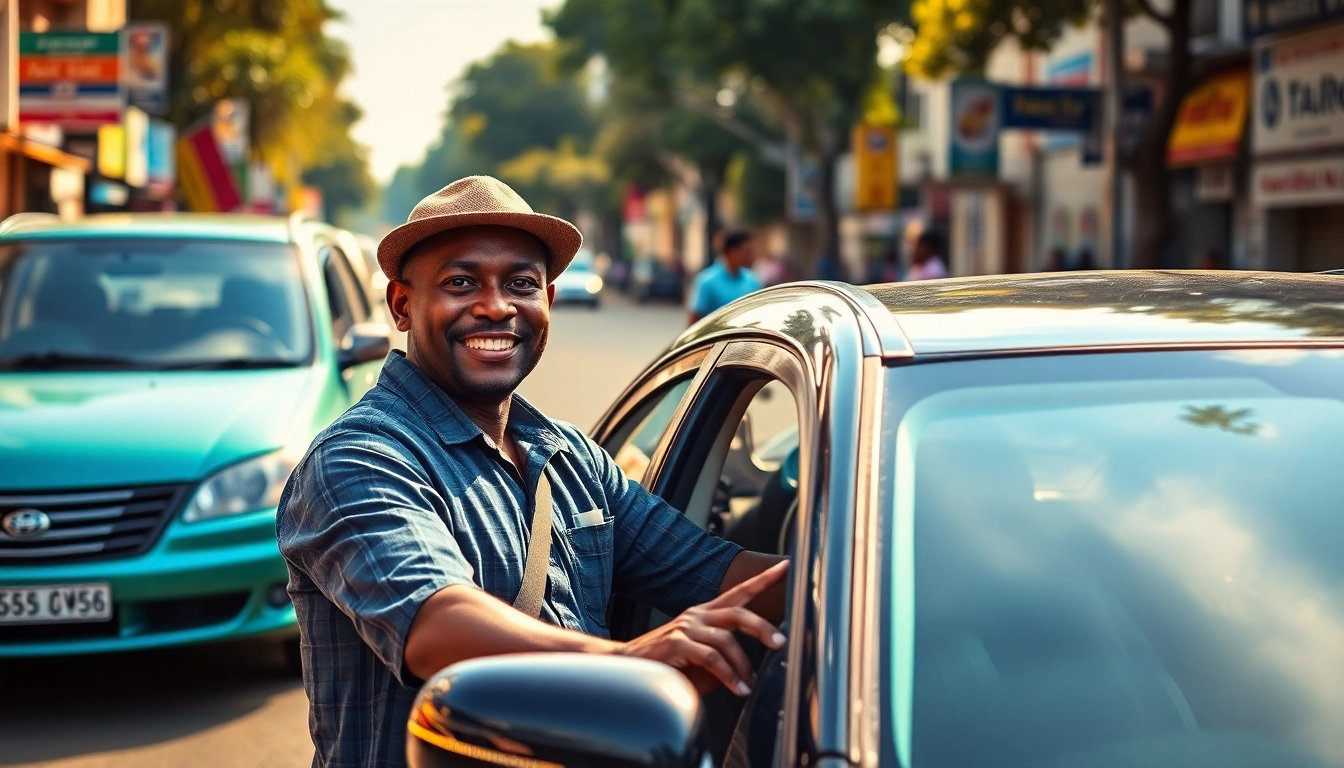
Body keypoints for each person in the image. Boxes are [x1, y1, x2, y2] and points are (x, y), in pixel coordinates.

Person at [277, 176, 788, 768]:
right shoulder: (357, 459)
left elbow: (717, 572)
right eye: (460, 282)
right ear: (401, 305)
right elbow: (438, 623)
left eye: (520, 284)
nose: (496, 306)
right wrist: (633, 665)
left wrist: (861, 577)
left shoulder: (575, 460)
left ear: (547, 300)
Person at [687, 229, 761, 324]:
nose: (751, 256)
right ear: (732, 251)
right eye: (747, 252)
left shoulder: (751, 280)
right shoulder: (708, 281)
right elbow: (694, 319)